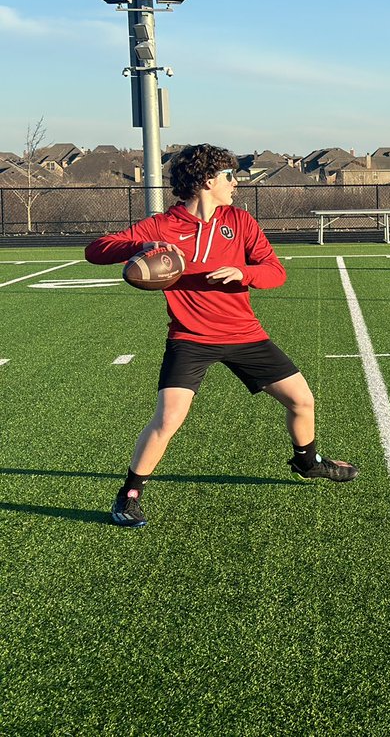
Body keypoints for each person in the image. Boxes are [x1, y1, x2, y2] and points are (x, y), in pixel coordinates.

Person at [86, 144, 358, 528]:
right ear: (208, 181)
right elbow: (95, 250)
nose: (236, 183)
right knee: (168, 419)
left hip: (245, 334)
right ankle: (128, 496)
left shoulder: (241, 221)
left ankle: (307, 462)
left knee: (302, 401)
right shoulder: (161, 226)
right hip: (190, 337)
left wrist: (243, 273)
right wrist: (142, 245)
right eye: (230, 176)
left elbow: (275, 272)